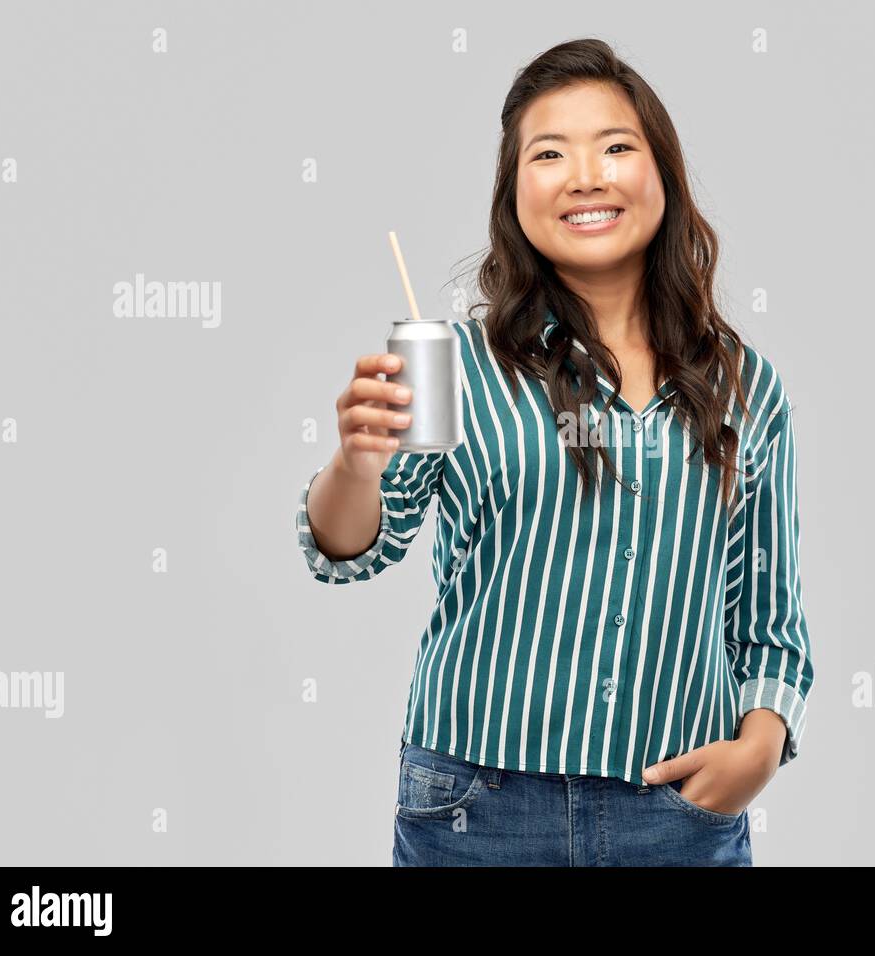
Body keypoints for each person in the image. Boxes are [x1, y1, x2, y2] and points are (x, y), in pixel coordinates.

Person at [295, 38, 814, 866]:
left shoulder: (745, 387)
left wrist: (757, 748)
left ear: (664, 177)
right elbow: (352, 548)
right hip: (476, 807)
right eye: (549, 154)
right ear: (515, 195)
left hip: (676, 810)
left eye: (615, 146)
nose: (586, 176)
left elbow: (769, 621)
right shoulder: (454, 365)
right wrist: (356, 462)